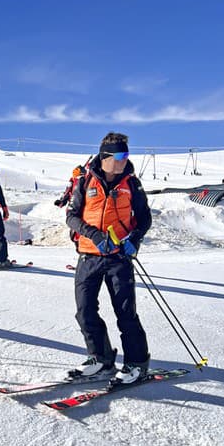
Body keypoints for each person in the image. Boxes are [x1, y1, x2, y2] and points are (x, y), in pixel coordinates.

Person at [66, 133, 152, 384]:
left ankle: (137, 363)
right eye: (120, 155)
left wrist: (133, 240)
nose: (125, 160)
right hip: (89, 255)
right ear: (106, 157)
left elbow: (144, 218)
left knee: (126, 313)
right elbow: (72, 217)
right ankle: (100, 358)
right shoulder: (84, 182)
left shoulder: (132, 184)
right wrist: (95, 236)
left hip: (118, 258)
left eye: (127, 155)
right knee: (85, 311)